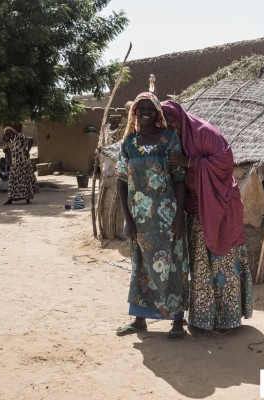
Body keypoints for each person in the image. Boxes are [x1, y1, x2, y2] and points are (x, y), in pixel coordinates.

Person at [161, 100, 254, 340]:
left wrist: (189, 162)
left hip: (220, 207)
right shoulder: (172, 138)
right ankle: (204, 318)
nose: (170, 127)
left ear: (180, 118)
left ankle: (226, 321)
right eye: (165, 124)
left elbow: (226, 162)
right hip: (195, 209)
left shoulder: (205, 133)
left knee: (221, 263)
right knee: (201, 265)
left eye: (171, 122)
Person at [115, 93, 189, 341]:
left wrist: (179, 216)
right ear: (134, 113)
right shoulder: (128, 144)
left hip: (167, 217)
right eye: (140, 108)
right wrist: (127, 218)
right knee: (141, 265)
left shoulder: (170, 139)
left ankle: (177, 320)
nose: (145, 112)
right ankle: (139, 320)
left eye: (150, 108)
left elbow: (179, 178)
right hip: (140, 217)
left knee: (173, 264)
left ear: (158, 112)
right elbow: (122, 181)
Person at [2, 127, 39, 204]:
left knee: (25, 180)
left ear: (13, 131)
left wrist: (27, 151)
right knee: (12, 181)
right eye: (8, 134)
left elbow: (31, 139)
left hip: (24, 162)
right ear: (6, 136)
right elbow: (5, 149)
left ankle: (27, 199)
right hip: (15, 164)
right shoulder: (9, 142)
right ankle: (10, 199)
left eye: (11, 132)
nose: (10, 134)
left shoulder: (20, 136)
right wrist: (8, 154)